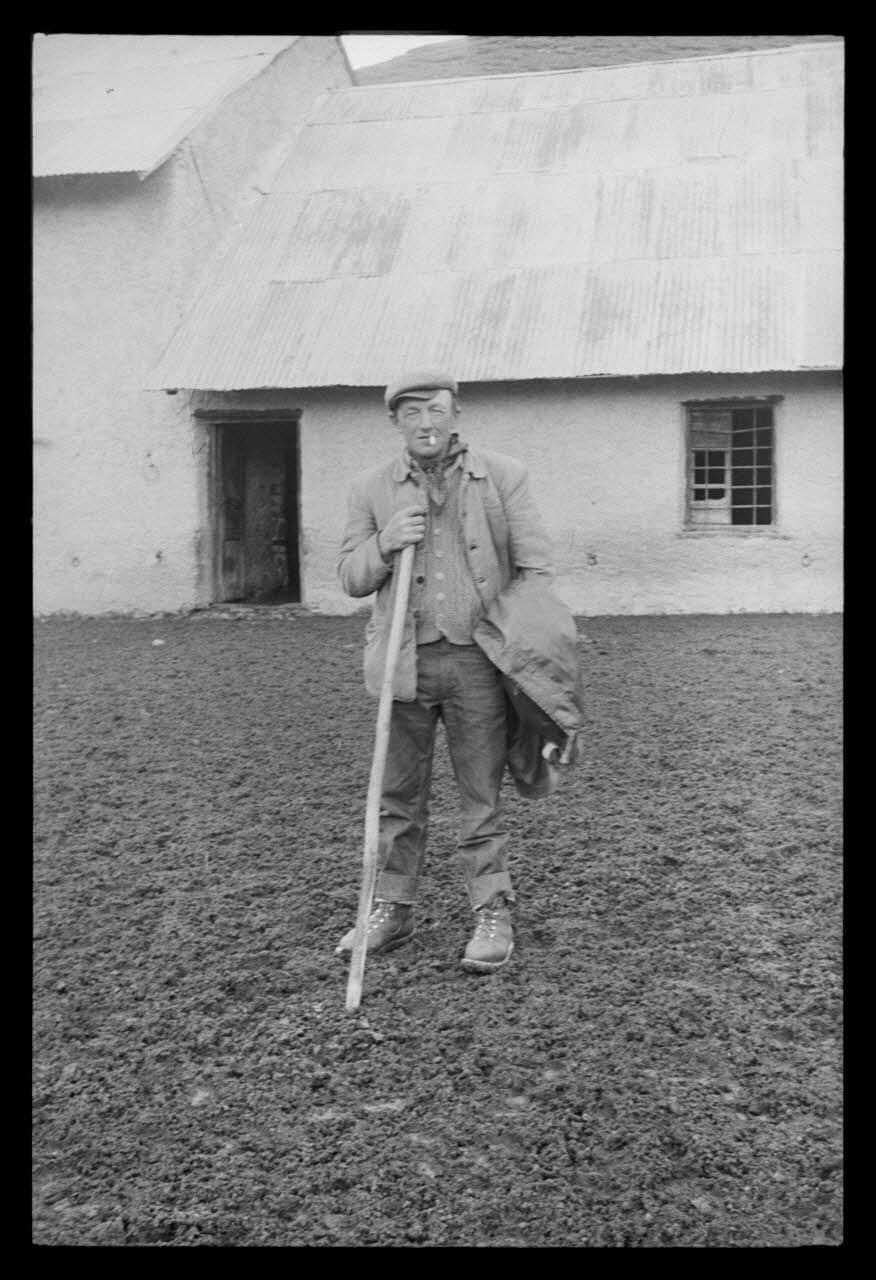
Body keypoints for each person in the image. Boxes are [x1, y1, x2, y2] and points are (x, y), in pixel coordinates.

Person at [335, 369, 554, 973]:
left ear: (455, 413)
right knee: (396, 798)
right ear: (395, 422)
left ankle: (491, 909)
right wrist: (383, 544)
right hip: (401, 665)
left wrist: (525, 651)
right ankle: (392, 908)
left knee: (479, 796)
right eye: (411, 414)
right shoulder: (371, 488)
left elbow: (535, 569)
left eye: (435, 410)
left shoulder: (502, 478)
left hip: (476, 663)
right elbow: (351, 578)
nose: (425, 423)